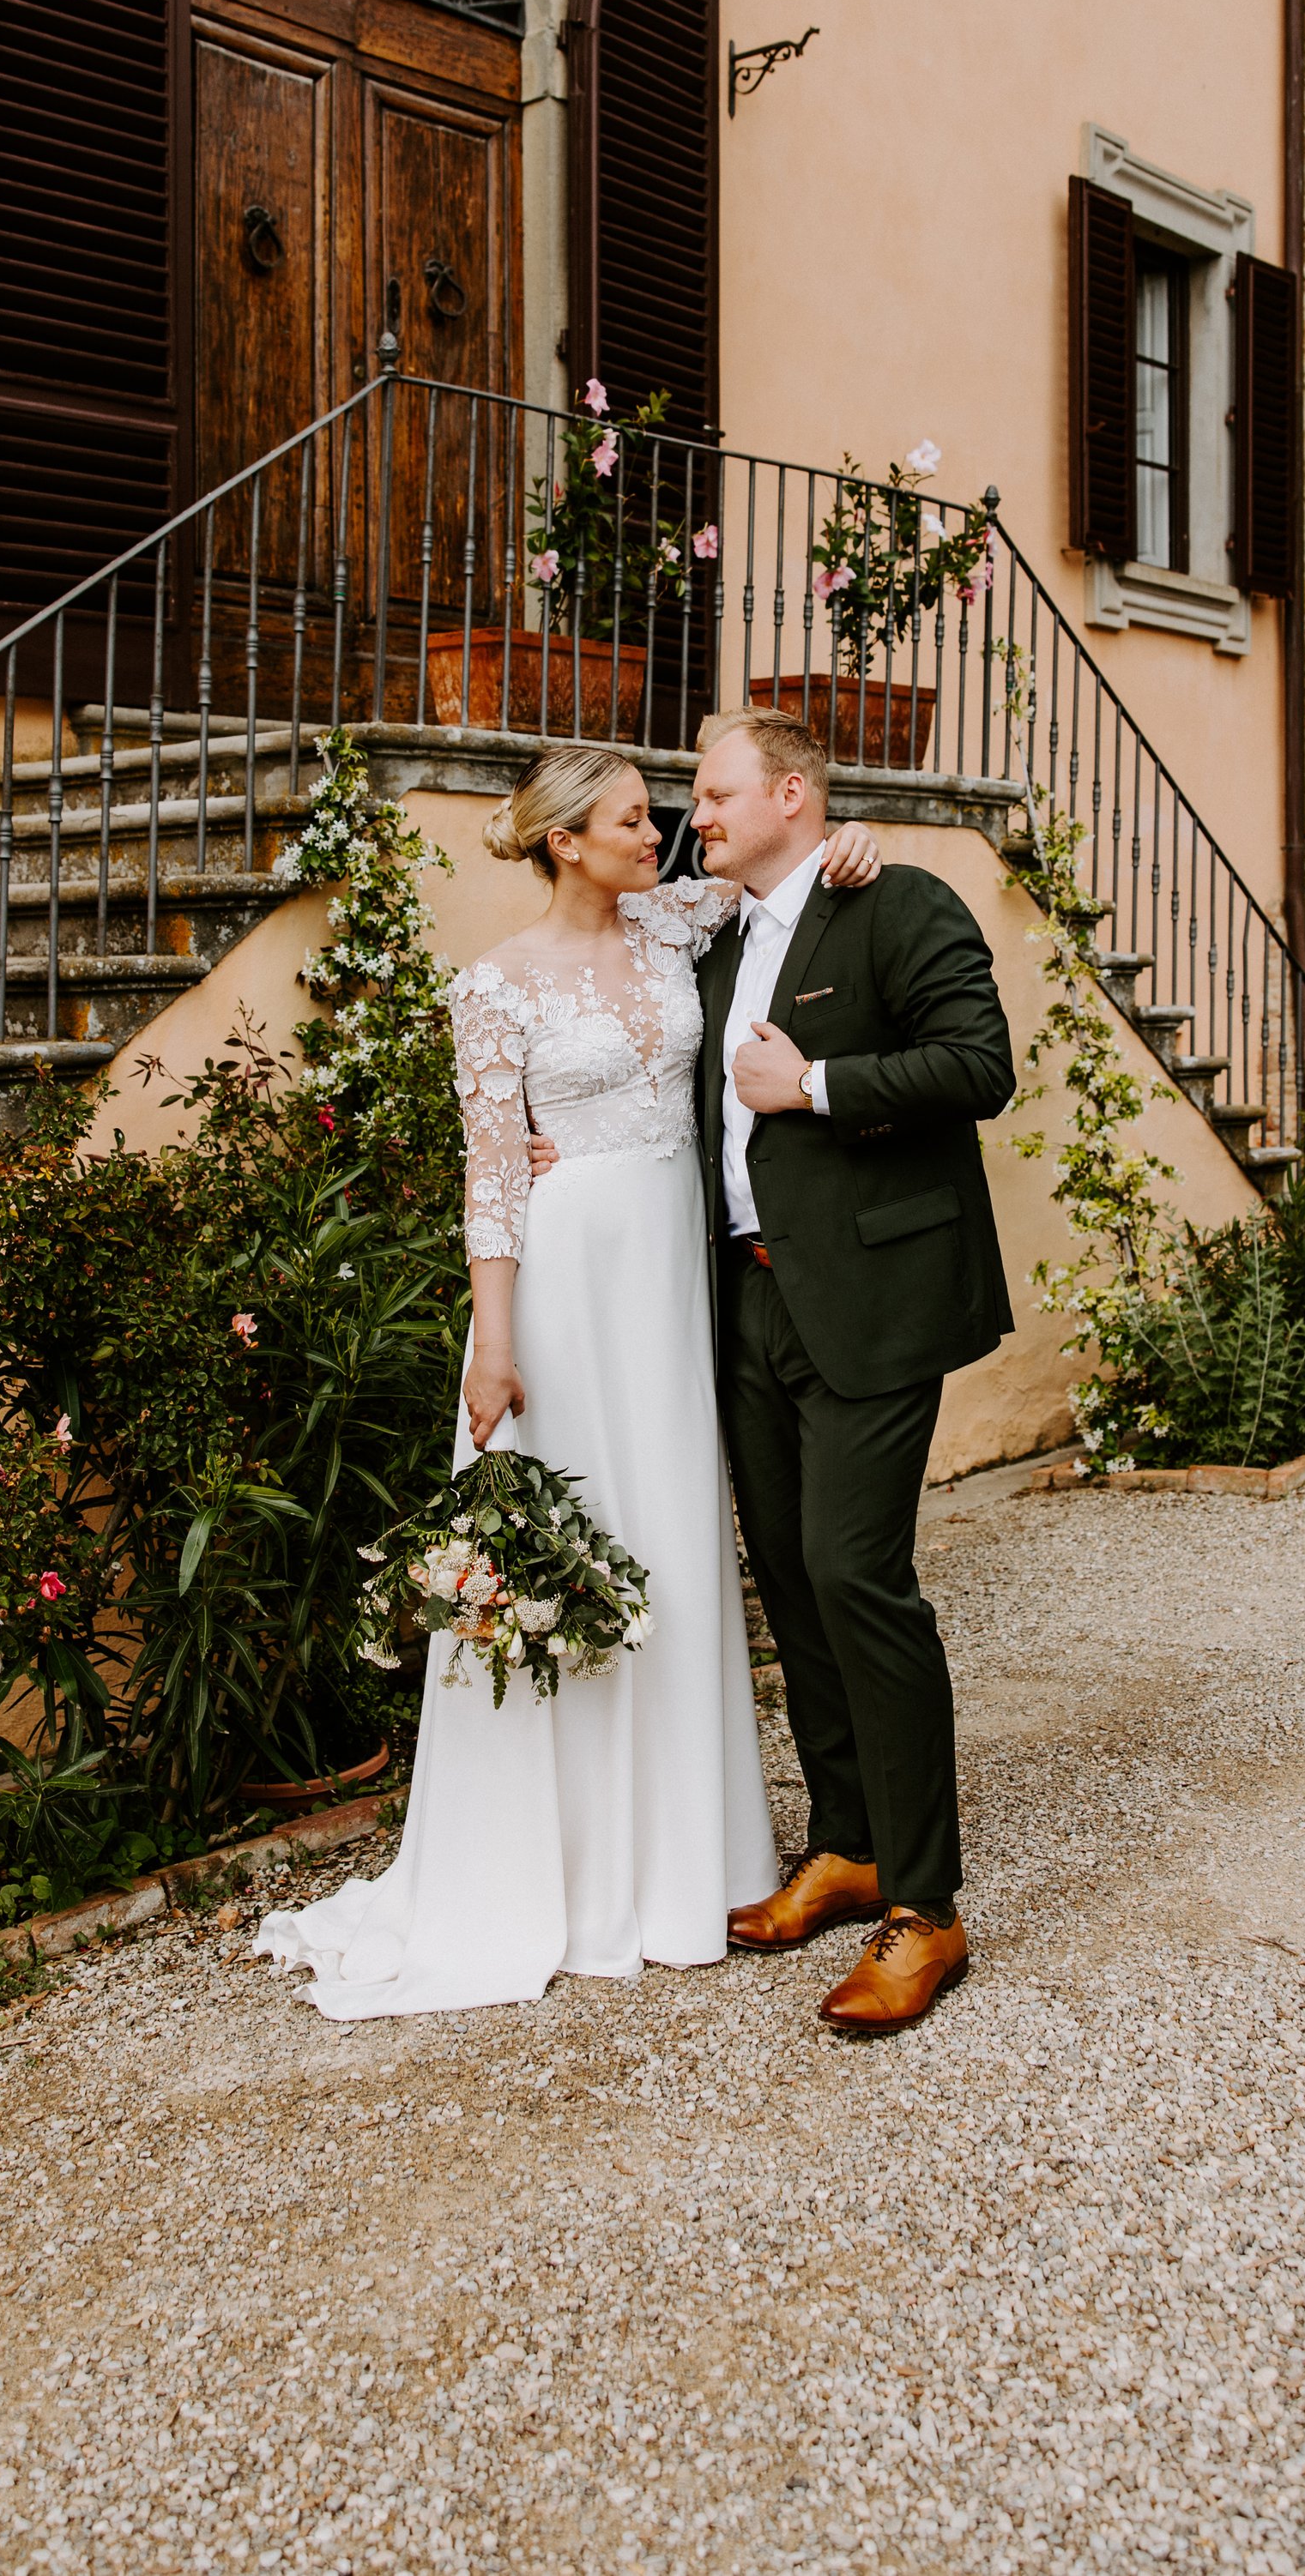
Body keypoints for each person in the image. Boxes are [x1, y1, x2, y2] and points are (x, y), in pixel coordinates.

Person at [250, 742, 884, 2019]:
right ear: (565, 842)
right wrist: (495, 1344)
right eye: (634, 820)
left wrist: (855, 840)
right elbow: (492, 1174)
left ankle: (686, 1863)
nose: (660, 835)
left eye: (660, 817)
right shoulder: (493, 987)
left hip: (674, 1282)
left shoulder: (680, 924)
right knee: (576, 1536)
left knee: (673, 1538)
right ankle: (561, 1868)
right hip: (568, 1285)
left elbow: (791, 873)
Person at [690, 708, 1018, 2034]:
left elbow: (980, 1066)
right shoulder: (714, 938)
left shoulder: (900, 902)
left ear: (791, 794)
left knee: (854, 1571)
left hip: (874, 1298)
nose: (696, 813)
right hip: (748, 1298)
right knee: (787, 1570)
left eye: (715, 792)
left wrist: (816, 1084)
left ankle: (926, 1907)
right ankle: (849, 1841)